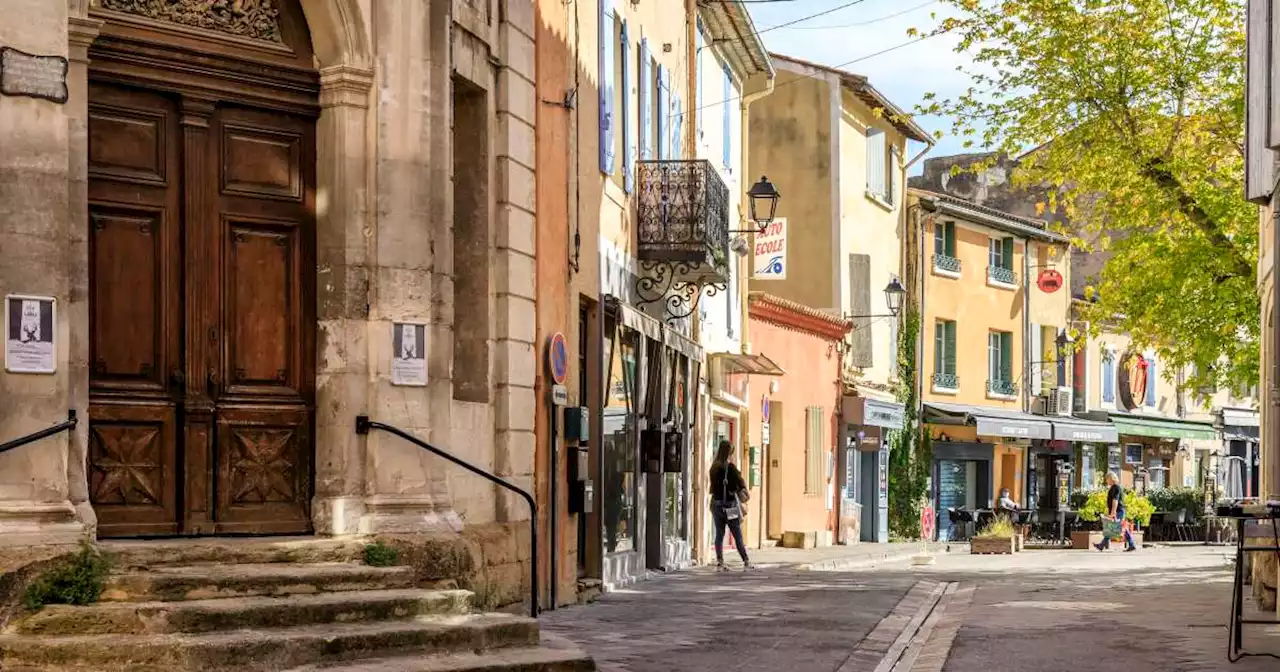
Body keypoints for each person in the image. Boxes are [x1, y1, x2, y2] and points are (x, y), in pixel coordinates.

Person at [709, 439, 752, 571]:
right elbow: (740, 484)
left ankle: (720, 562)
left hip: (717, 505)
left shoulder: (713, 468)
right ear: (729, 453)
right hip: (730, 506)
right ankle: (746, 560)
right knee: (736, 533)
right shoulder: (731, 468)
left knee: (719, 535)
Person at [1095, 471, 1137, 552]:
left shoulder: (1116, 487)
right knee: (1120, 527)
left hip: (1119, 511)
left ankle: (1101, 545)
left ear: (1111, 478)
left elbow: (1115, 500)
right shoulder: (1115, 487)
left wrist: (1113, 512)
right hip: (1119, 511)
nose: (1106, 481)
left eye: (1107, 479)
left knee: (1113, 527)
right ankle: (1132, 545)